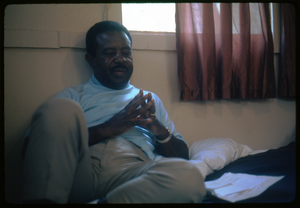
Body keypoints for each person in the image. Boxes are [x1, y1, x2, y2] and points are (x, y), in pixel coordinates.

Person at [22, 21, 206, 204]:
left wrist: (158, 129)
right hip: (81, 170)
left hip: (131, 173)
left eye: (126, 53)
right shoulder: (73, 97)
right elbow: (32, 147)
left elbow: (183, 157)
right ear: (91, 60)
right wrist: (111, 127)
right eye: (110, 53)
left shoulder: (149, 100)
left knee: (190, 176)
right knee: (60, 108)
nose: (120, 59)